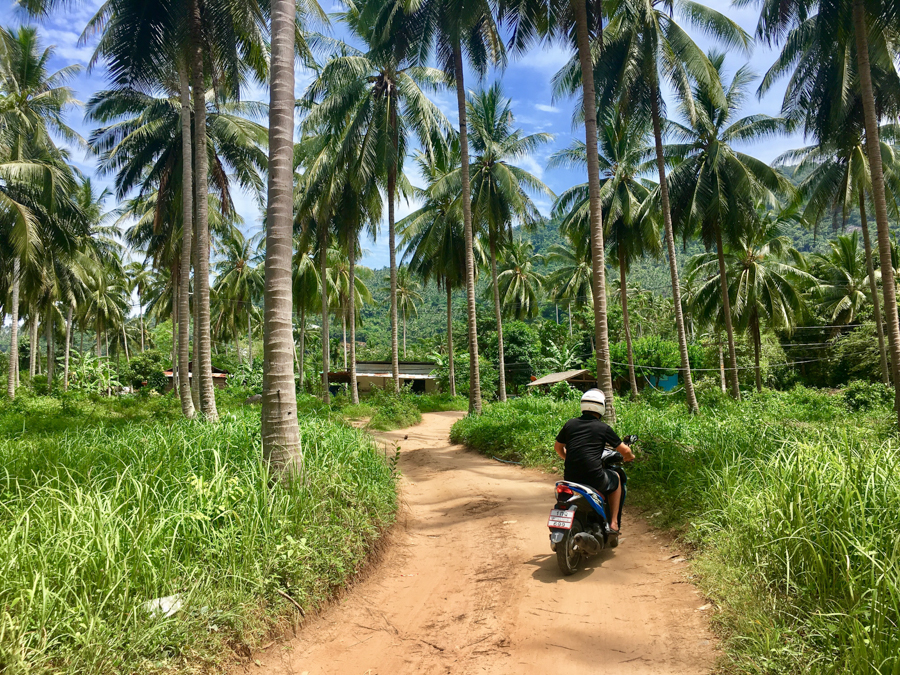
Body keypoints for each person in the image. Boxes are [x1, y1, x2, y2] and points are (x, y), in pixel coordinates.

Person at [554, 389, 634, 535]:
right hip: (594, 478)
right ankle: (614, 523)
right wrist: (629, 456)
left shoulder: (570, 424)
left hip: (570, 478)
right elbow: (625, 451)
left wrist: (569, 458)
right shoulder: (603, 428)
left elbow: (558, 448)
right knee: (616, 478)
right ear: (601, 407)